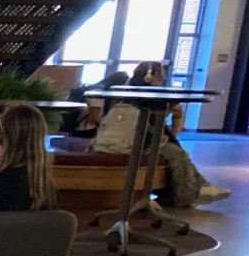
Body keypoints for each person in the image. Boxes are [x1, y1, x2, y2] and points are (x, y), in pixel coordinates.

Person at [94, 60, 226, 205]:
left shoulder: (122, 92)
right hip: (137, 143)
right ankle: (188, 195)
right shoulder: (160, 97)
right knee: (177, 154)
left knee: (171, 149)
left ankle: (200, 186)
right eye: (160, 73)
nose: (162, 76)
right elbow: (178, 115)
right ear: (152, 75)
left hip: (108, 141)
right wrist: (173, 135)